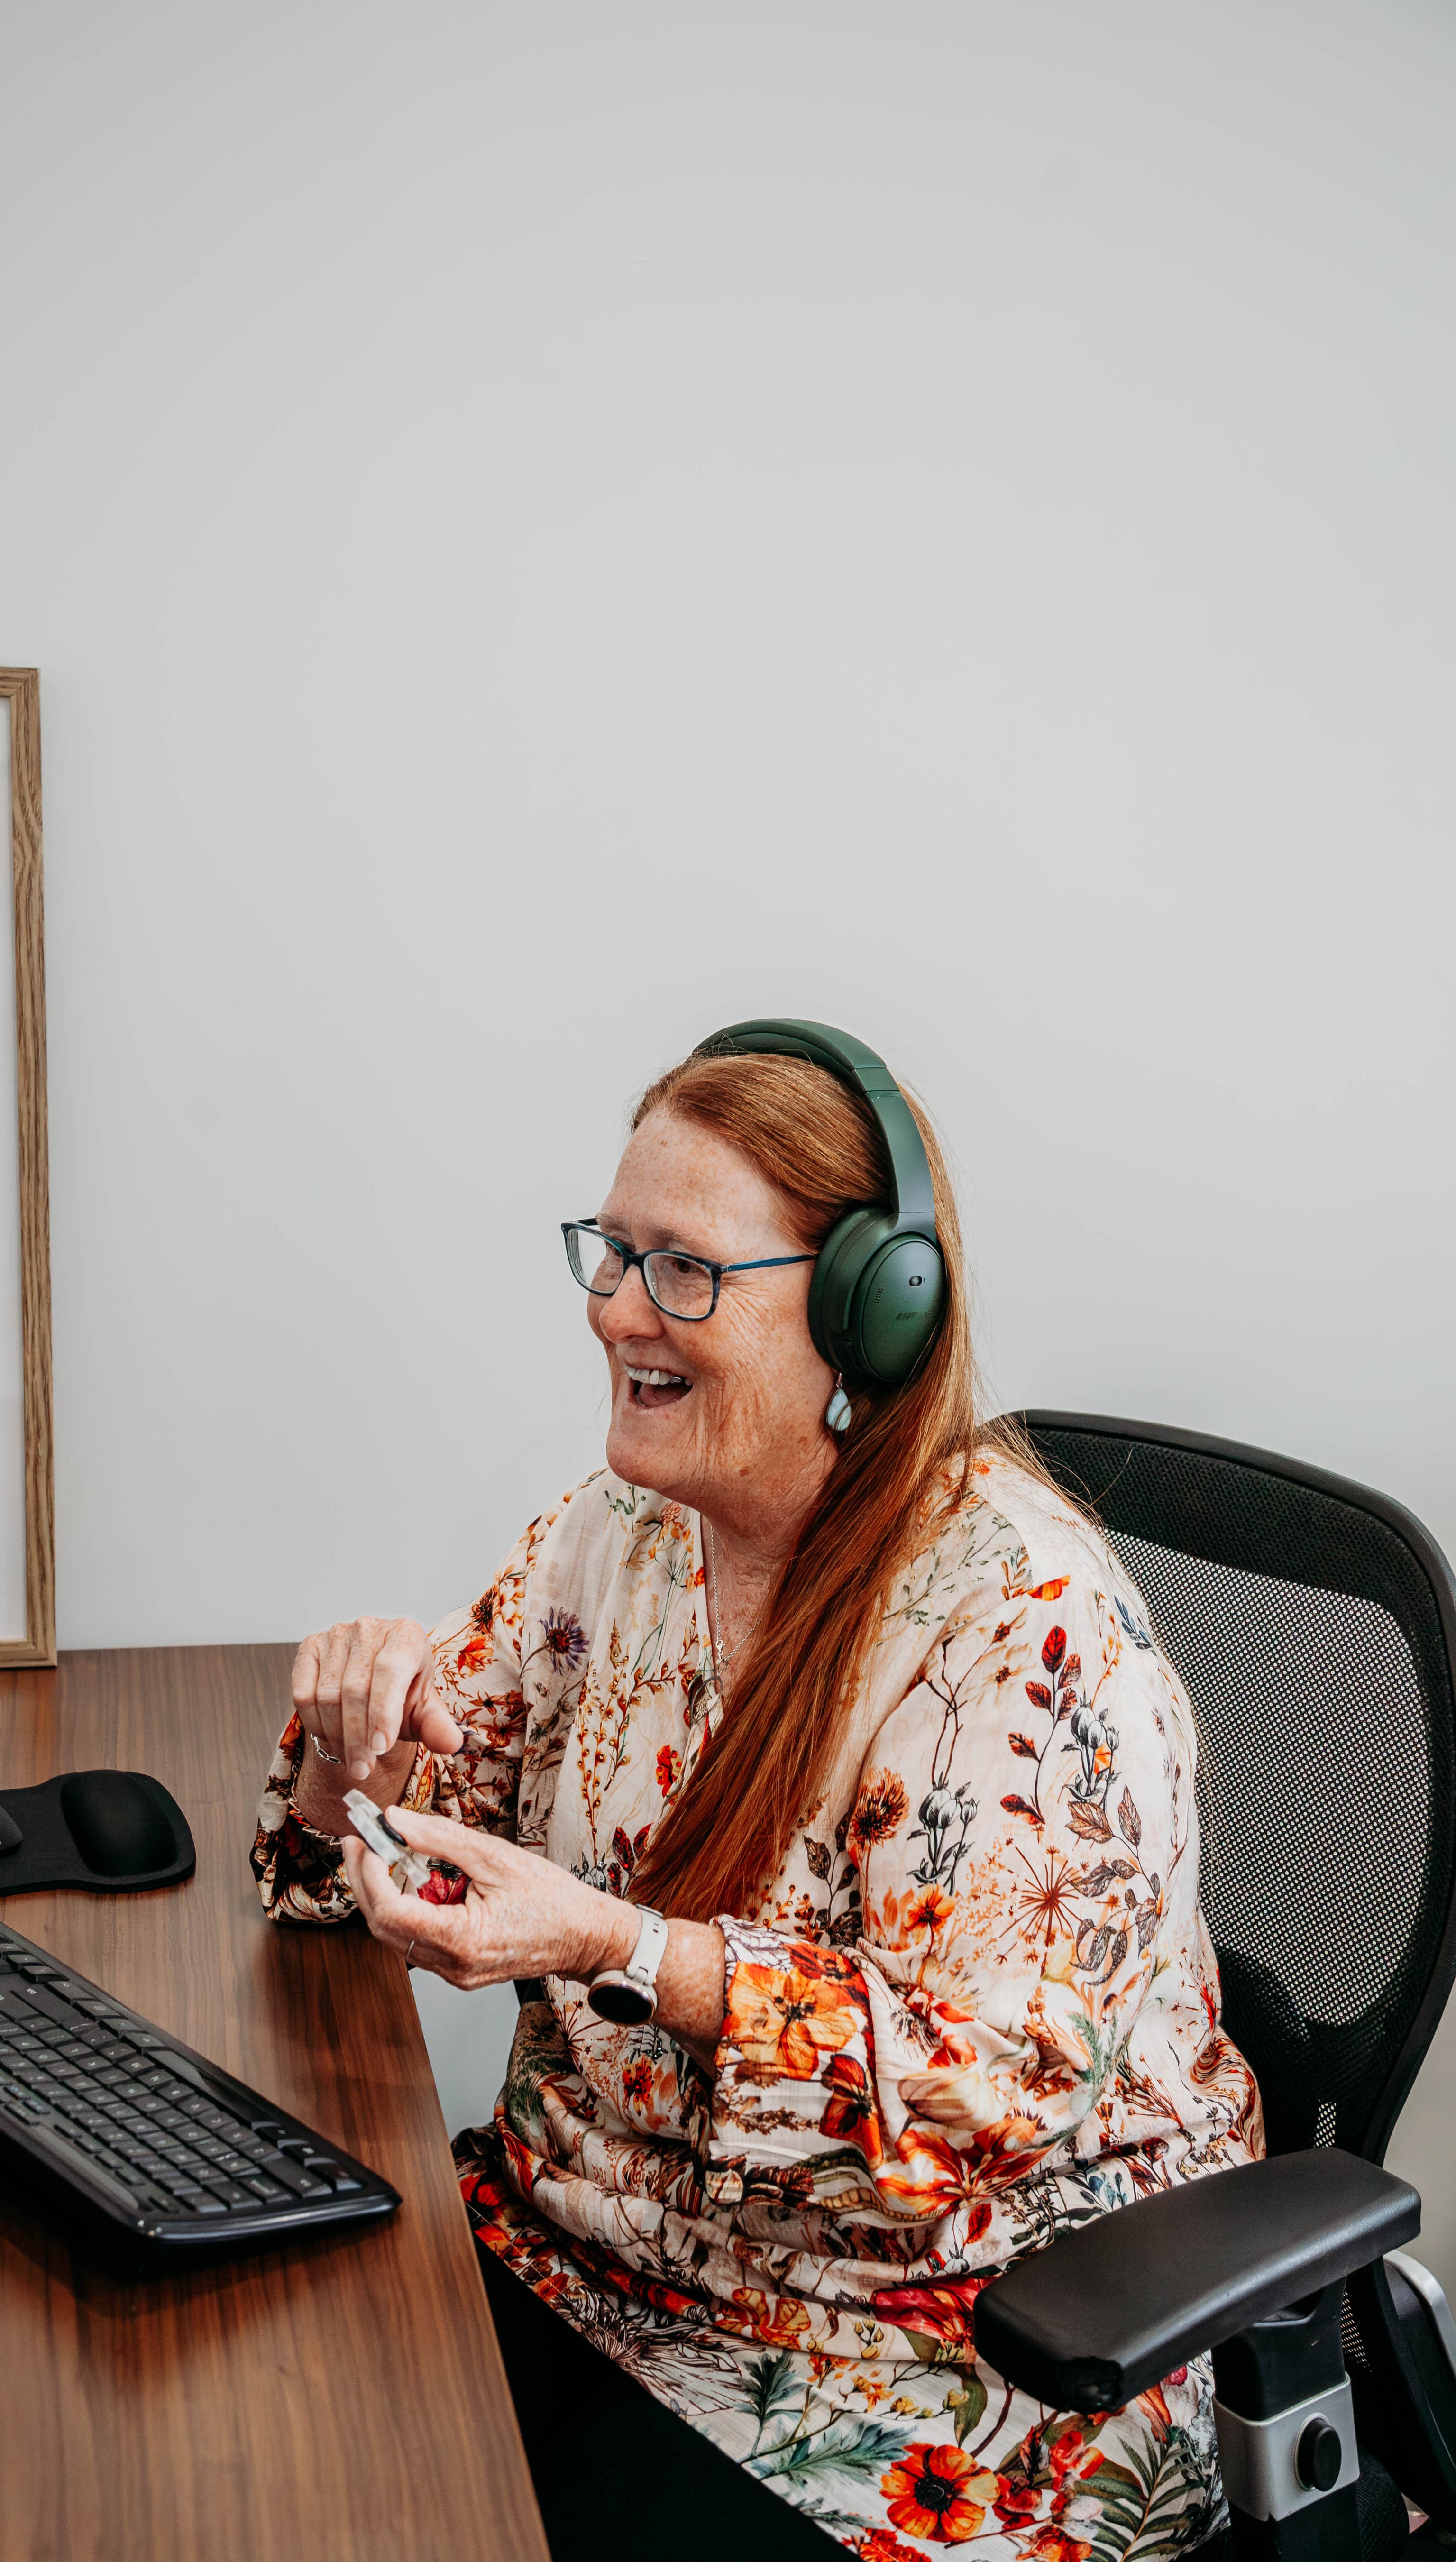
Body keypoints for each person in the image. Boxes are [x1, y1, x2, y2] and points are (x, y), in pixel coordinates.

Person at [252, 1023, 1260, 2562]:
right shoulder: (629, 1532)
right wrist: (357, 1750)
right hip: (589, 2250)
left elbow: (980, 2098)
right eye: (612, 1253)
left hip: (931, 2367)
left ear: (871, 1310)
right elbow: (416, 1826)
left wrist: (617, 1948)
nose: (612, 1311)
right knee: (263, 2448)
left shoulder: (1027, 1628)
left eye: (684, 1270)